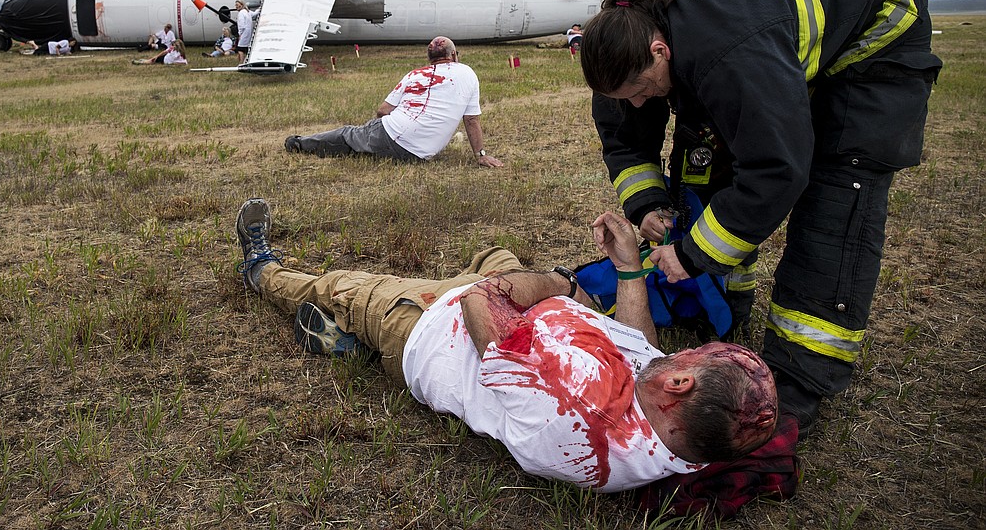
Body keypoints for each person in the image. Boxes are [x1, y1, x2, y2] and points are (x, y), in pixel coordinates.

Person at [578, 0, 943, 436]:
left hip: (876, 36)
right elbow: (626, 139)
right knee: (703, 164)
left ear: (660, 51)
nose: (637, 103)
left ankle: (797, 378)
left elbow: (776, 168)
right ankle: (721, 303)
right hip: (761, 37)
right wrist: (647, 207)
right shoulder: (621, 41)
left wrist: (690, 255)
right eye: (624, 96)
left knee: (833, 201)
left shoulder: (728, 53)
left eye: (642, 89)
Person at [232, 197, 778, 493]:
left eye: (692, 357)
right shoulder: (676, 433)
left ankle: (261, 269)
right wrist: (628, 269)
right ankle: (354, 343)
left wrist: (565, 286)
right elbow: (640, 348)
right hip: (519, 313)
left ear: (681, 384)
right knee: (496, 253)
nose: (679, 354)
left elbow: (481, 304)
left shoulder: (572, 408)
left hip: (433, 329)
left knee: (340, 287)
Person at [284, 36, 505, 167]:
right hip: (421, 155)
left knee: (349, 134)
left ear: (429, 59)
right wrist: (481, 155)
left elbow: (382, 111)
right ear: (455, 55)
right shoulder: (468, 73)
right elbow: (472, 120)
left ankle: (299, 143)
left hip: (392, 134)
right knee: (359, 142)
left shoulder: (414, 74)